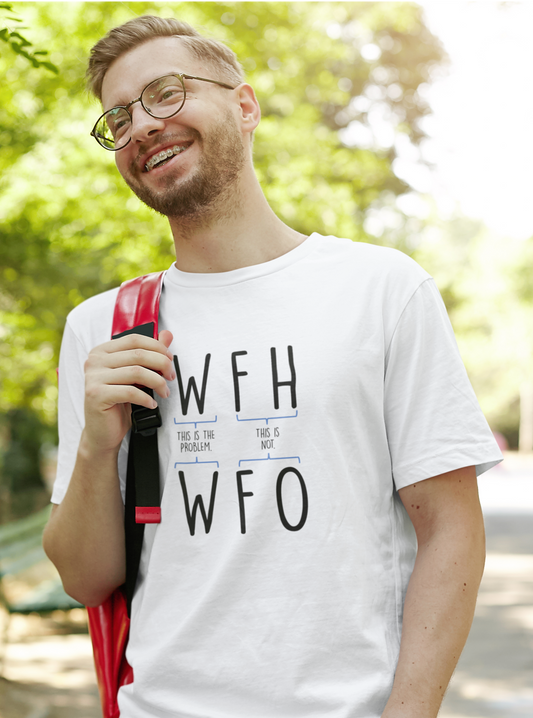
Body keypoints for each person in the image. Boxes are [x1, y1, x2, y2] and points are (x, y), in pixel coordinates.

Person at [43, 15, 502, 718]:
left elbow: (450, 529)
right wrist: (95, 446)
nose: (143, 126)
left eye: (166, 93)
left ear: (245, 106)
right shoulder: (101, 328)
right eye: (120, 118)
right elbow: (84, 579)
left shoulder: (380, 289)